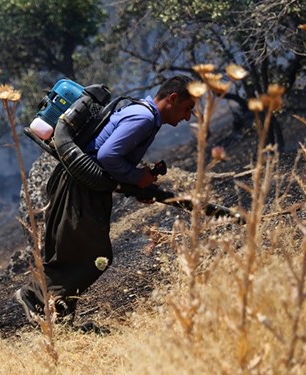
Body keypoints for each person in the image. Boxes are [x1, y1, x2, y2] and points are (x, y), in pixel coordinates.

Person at [16, 75, 196, 327]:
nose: (188, 116)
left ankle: (59, 319)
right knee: (93, 255)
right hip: (79, 188)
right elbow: (108, 156)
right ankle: (34, 295)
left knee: (74, 252)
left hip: (82, 186)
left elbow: (111, 157)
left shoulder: (142, 114)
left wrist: (138, 182)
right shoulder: (143, 118)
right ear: (173, 98)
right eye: (188, 108)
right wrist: (137, 177)